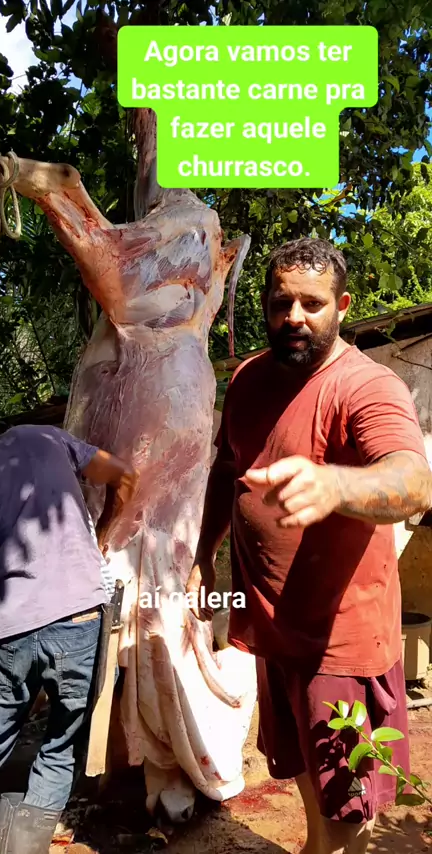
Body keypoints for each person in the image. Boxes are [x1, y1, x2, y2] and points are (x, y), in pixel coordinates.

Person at [187, 238, 432, 854]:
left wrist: (335, 484)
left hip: (340, 642)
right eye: (281, 303)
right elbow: (227, 469)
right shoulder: (248, 378)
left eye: (312, 303)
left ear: (342, 306)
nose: (294, 316)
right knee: (299, 762)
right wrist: (203, 553)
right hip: (271, 626)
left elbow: (413, 480)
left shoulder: (365, 385)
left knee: (347, 802)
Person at [0, 424, 137, 854]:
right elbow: (126, 475)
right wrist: (102, 534)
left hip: (6, 629)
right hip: (80, 616)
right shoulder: (43, 437)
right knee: (61, 746)